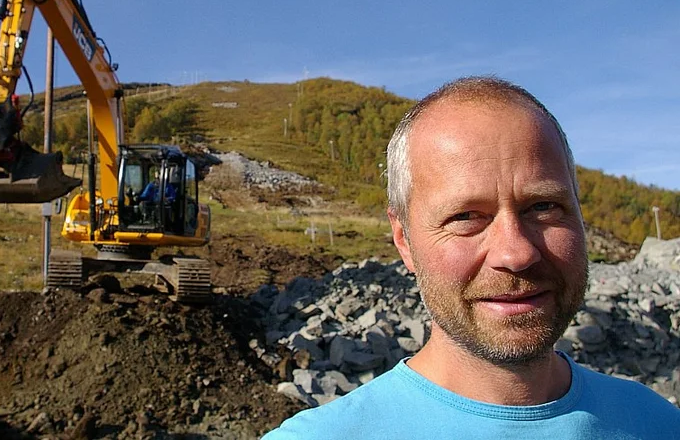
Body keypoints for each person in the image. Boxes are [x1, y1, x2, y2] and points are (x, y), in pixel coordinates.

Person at [264, 76, 680, 439]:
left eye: (543, 207)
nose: (516, 253)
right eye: (465, 217)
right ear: (404, 240)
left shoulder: (658, 422)